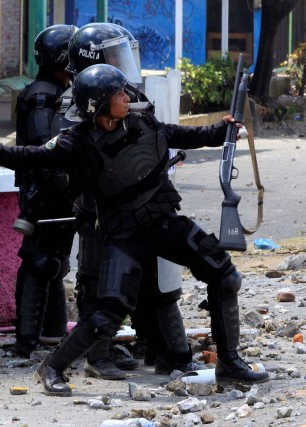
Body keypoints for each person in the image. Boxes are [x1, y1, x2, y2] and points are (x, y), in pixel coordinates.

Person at [0, 64, 270, 396]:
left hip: (163, 222)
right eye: (119, 94)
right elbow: (30, 157)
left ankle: (230, 362)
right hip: (124, 236)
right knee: (106, 316)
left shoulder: (142, 121)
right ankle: (51, 367)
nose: (127, 97)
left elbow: (183, 135)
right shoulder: (76, 142)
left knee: (225, 276)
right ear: (98, 104)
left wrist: (220, 130)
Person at [61, 22, 205, 378]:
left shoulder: (128, 100)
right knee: (97, 283)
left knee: (144, 280)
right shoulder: (73, 108)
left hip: (137, 210)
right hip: (98, 211)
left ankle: (156, 348)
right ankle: (98, 356)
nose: (120, 66)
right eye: (111, 57)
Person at [11, 24, 77, 358]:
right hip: (43, 190)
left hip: (55, 188)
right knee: (40, 261)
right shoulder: (42, 94)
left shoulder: (56, 89)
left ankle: (51, 332)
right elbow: (43, 145)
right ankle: (26, 341)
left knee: (54, 261)